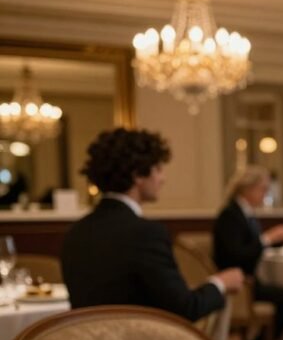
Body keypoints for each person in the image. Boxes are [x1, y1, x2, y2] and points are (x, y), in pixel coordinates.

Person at [62, 128, 243, 321]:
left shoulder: (76, 231)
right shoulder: (145, 233)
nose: (162, 179)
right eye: (158, 169)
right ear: (138, 175)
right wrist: (221, 283)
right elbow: (185, 309)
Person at [213, 166, 283, 340]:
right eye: (263, 189)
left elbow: (253, 245)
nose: (265, 194)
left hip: (249, 279)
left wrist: (277, 241)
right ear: (248, 188)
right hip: (240, 284)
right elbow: (235, 254)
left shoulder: (245, 213)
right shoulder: (230, 215)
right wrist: (268, 238)